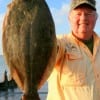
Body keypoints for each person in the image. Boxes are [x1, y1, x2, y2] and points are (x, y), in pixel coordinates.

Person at [47, 0, 100, 100]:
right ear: (69, 18)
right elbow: (50, 49)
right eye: (78, 14)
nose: (83, 18)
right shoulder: (62, 43)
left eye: (88, 14)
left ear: (96, 18)